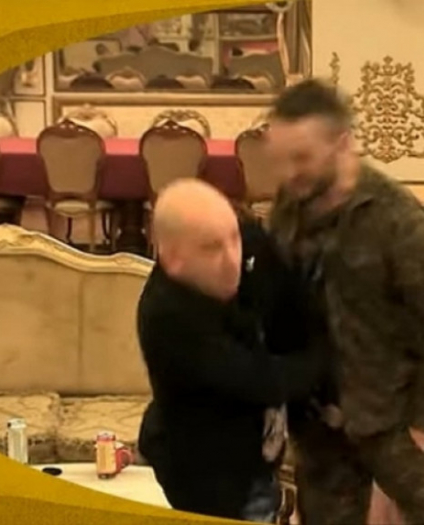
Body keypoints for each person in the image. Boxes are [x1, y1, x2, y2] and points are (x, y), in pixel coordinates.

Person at [266, 79, 424, 525]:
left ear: (342, 144)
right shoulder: (289, 206)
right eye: (281, 159)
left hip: (394, 420)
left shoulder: (395, 217)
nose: (289, 172)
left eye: (302, 158)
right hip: (319, 430)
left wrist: (421, 425)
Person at [136, 179, 324, 522]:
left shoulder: (244, 244)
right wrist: (332, 360)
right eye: (211, 248)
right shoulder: (168, 316)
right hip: (210, 480)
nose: (232, 259)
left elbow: (291, 294)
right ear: (173, 259)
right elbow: (263, 381)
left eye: (234, 238)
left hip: (255, 459)